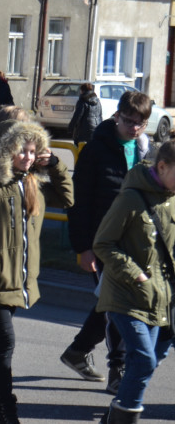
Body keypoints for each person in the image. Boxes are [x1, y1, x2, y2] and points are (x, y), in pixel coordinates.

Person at [0, 121, 74, 424]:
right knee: (5, 343)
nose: (28, 157)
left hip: (21, 282)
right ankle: (8, 409)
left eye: (33, 152)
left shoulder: (32, 183)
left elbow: (68, 199)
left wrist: (56, 164)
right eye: (23, 150)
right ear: (9, 150)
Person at [61, 90, 152, 392]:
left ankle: (78, 351)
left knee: (111, 303)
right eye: (129, 121)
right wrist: (82, 247)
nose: (134, 128)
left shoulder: (144, 152)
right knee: (118, 306)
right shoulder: (96, 150)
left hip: (134, 243)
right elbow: (78, 202)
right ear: (116, 116)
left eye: (140, 123)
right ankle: (118, 369)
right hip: (103, 243)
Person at [93, 140, 175, 424]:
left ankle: (114, 416)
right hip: (126, 295)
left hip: (159, 298)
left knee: (144, 364)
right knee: (143, 361)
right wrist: (135, 273)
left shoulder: (171, 199)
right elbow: (103, 244)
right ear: (162, 167)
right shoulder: (130, 198)